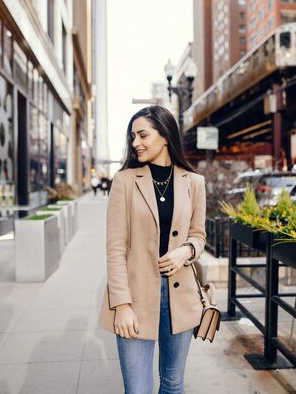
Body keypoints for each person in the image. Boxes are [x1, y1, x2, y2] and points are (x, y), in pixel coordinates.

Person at [99, 105, 206, 394]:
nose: (135, 143)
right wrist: (121, 305)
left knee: (173, 384)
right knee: (137, 389)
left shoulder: (194, 182)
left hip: (180, 295)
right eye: (132, 136)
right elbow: (115, 248)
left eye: (143, 135)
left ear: (165, 136)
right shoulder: (124, 181)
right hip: (135, 295)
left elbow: (198, 236)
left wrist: (187, 251)